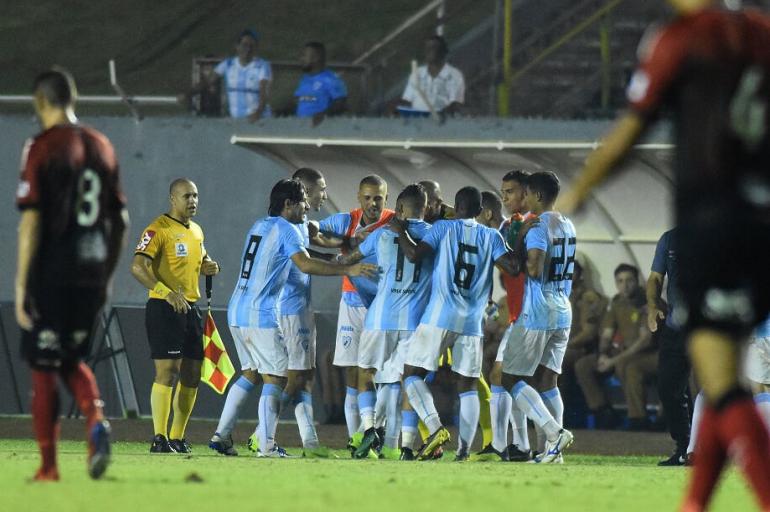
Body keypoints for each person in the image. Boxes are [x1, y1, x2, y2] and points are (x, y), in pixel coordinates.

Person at [560, 1, 770, 508]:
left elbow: (634, 127)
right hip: (761, 224)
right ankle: (694, 502)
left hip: (711, 222)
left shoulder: (682, 37)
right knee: (723, 379)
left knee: (722, 386)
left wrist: (581, 188)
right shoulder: (763, 31)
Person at [15, 68, 128, 481]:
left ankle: (48, 468)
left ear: (39, 101)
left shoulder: (42, 147)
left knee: (44, 365)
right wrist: (107, 273)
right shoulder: (102, 146)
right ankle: (96, 423)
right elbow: (121, 221)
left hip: (52, 273)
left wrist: (21, 283)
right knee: (70, 359)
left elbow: (31, 222)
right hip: (91, 273)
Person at [226, 179, 377, 457]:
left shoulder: (269, 225)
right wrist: (347, 265)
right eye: (317, 189)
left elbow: (316, 245)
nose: (320, 197)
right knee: (286, 378)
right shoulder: (292, 226)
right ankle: (262, 437)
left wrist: (347, 245)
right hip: (287, 311)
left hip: (283, 309)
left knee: (297, 378)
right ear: (297, 197)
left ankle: (306, 442)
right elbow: (307, 258)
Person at [209, 167, 330, 457]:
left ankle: (221, 436)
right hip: (260, 314)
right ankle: (267, 446)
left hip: (236, 309)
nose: (306, 208)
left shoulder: (259, 225)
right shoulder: (287, 228)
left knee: (250, 373)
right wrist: (347, 267)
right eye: (302, 202)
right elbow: (305, 264)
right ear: (288, 204)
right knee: (277, 378)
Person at [391, 186, 519, 461]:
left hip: (439, 315)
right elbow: (512, 267)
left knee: (411, 374)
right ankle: (462, 451)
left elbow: (414, 255)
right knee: (468, 386)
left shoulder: (442, 229)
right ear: (478, 210)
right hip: (472, 322)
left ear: (456, 206)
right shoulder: (491, 235)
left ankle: (435, 427)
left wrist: (399, 230)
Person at [338, 184, 434, 459]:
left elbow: (349, 259)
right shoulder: (434, 235)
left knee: (365, 371)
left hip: (380, 317)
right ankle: (405, 446)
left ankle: (368, 428)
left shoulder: (380, 234)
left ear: (399, 209)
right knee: (410, 382)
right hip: (415, 321)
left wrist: (330, 261)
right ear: (425, 208)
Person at [130, 178, 220, 453]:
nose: (192, 201)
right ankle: (159, 437)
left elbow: (200, 258)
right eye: (186, 196)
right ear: (172, 199)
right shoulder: (158, 229)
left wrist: (207, 266)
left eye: (195, 196)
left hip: (190, 309)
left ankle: (177, 437)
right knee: (167, 372)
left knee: (192, 374)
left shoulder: (196, 231)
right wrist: (166, 292)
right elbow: (138, 266)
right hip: (164, 308)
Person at [310, 175, 395, 452]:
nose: (373, 203)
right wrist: (347, 240)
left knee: (380, 372)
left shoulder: (394, 221)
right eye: (368, 197)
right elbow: (311, 229)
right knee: (352, 371)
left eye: (378, 198)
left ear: (386, 198)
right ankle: (355, 437)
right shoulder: (347, 220)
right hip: (352, 300)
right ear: (359, 197)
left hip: (383, 304)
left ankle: (374, 434)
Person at [499, 171, 576, 464]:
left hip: (538, 310)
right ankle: (552, 454)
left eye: (528, 194)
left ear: (539, 196)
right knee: (548, 380)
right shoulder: (568, 224)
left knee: (510, 377)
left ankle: (554, 433)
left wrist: (519, 238)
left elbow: (531, 268)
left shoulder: (537, 226)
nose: (525, 200)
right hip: (562, 308)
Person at [481, 169, 538, 462]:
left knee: (501, 376)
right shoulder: (511, 226)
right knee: (508, 378)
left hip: (531, 316)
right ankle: (521, 446)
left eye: (510, 191)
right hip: (517, 315)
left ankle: (507, 445)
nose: (505, 197)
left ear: (526, 193)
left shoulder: (532, 226)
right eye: (502, 192)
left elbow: (516, 266)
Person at [574, 264, 656, 430]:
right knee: (583, 365)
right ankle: (602, 411)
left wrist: (613, 360)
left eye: (629, 281)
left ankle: (638, 418)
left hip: (646, 353)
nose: (625, 285)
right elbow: (606, 333)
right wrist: (603, 353)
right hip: (622, 352)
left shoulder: (645, 303)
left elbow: (644, 341)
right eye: (620, 281)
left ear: (637, 281)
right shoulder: (617, 303)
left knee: (627, 366)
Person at [648, 228, 692, 465]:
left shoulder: (722, 231)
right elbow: (655, 277)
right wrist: (653, 306)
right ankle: (684, 446)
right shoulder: (670, 238)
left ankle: (703, 448)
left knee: (706, 388)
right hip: (677, 324)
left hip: (710, 324)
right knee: (668, 387)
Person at [180, 29, 272, 121]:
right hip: (238, 121)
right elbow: (207, 82)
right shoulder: (228, 64)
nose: (248, 49)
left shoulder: (262, 66)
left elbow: (263, 93)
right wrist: (188, 94)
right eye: (245, 45)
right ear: (237, 46)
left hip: (258, 119)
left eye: (252, 46)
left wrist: (258, 113)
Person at [561, 260, 607, 427]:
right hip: (564, 347)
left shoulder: (587, 297)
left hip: (580, 348)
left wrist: (564, 345)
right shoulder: (559, 293)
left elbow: (588, 333)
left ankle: (564, 414)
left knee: (558, 361)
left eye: (572, 272)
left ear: (579, 275)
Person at [396, 35, 465, 117]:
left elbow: (456, 103)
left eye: (433, 48)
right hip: (417, 122)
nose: (428, 51)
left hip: (443, 123)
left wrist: (440, 114)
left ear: (443, 51)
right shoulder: (417, 73)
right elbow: (407, 100)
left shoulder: (454, 75)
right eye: (426, 48)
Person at [293, 41, 347, 125]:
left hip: (322, 127)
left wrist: (323, 115)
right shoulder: (305, 79)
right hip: (302, 125)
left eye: (304, 55)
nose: (301, 59)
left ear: (316, 58)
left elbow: (341, 103)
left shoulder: (330, 79)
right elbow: (299, 100)